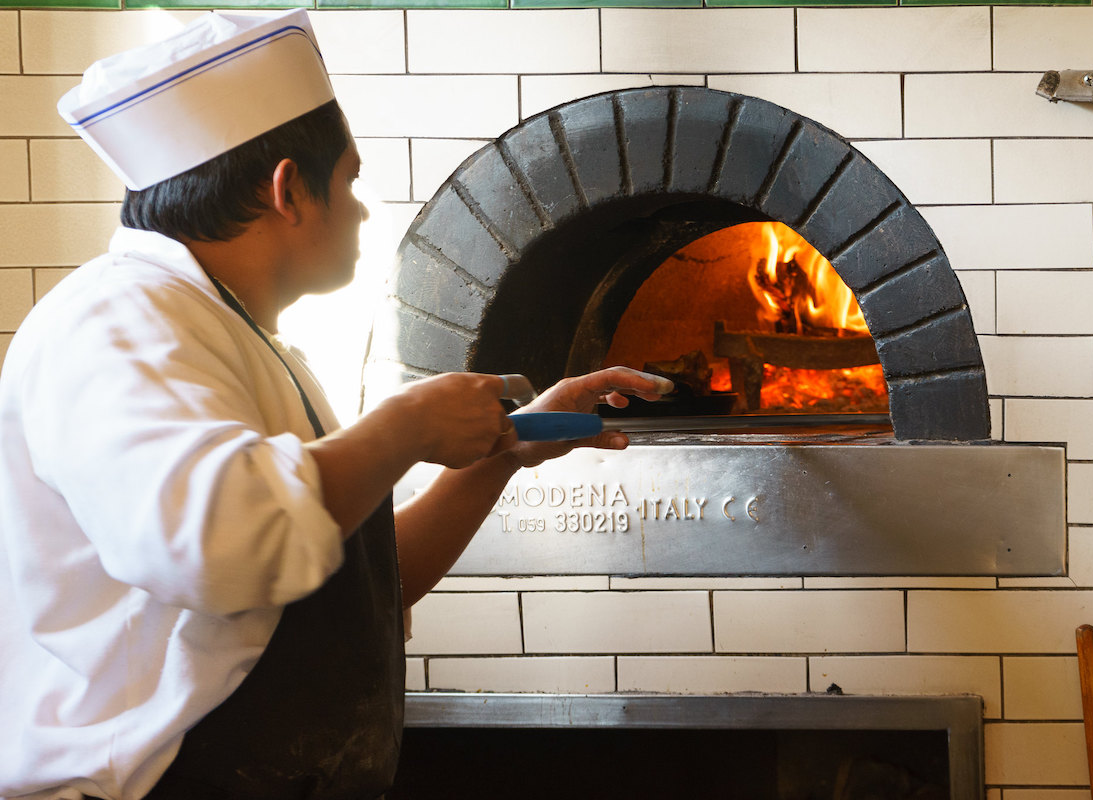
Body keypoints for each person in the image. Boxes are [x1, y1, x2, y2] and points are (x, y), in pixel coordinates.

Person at [0, 10, 671, 800]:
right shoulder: (115, 322)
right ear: (289, 188)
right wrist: (408, 424)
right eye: (349, 179)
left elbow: (365, 589)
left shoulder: (241, 341)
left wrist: (504, 455)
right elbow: (218, 546)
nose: (358, 207)